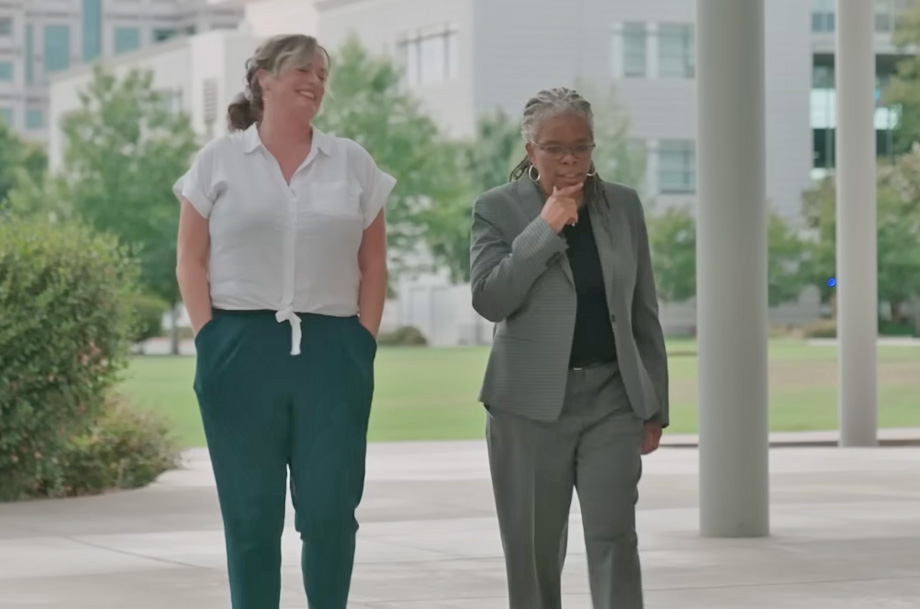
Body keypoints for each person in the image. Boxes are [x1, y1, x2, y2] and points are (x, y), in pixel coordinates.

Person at [173, 34, 394, 609]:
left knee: (329, 514)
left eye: (322, 73)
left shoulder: (353, 163)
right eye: (303, 70)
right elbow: (189, 259)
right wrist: (209, 335)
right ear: (263, 79)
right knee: (250, 518)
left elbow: (373, 264)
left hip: (333, 351)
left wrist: (361, 341)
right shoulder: (217, 162)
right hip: (239, 348)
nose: (316, 82)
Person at [469, 87, 669, 609]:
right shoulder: (496, 208)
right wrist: (545, 227)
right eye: (555, 147)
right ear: (530, 149)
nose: (570, 159)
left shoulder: (622, 205)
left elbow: (643, 309)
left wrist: (654, 405)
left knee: (615, 541)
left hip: (612, 399)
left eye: (581, 147)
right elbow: (491, 298)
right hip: (527, 408)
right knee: (533, 552)